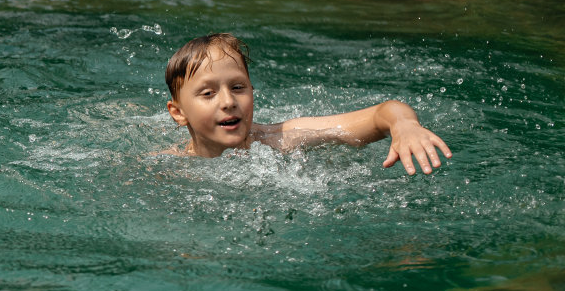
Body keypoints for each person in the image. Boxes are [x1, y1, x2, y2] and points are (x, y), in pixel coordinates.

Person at [164, 33, 451, 173]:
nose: (228, 101)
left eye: (238, 87)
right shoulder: (167, 166)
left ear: (252, 90)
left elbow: (382, 113)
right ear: (178, 113)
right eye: (208, 93)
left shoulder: (283, 138)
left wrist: (404, 125)